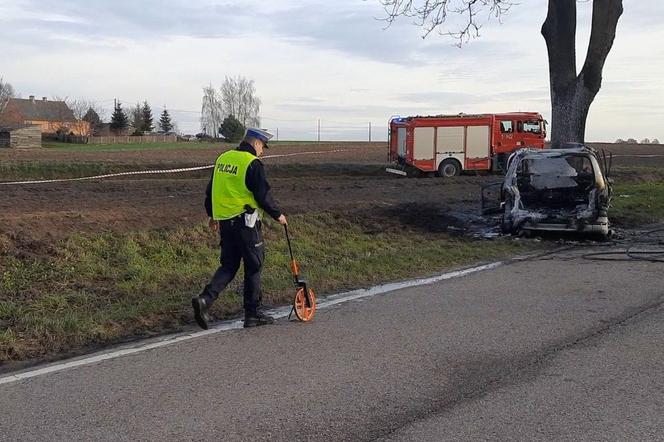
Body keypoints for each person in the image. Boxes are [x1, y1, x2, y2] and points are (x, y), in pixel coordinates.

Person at [192, 128, 287, 329]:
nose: (262, 152)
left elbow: (211, 189)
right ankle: (252, 314)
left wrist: (212, 214)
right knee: (254, 265)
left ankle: (205, 300)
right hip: (246, 223)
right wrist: (278, 215)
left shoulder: (223, 158)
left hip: (225, 222)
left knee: (228, 265)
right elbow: (263, 194)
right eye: (263, 147)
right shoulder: (252, 163)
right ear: (256, 143)